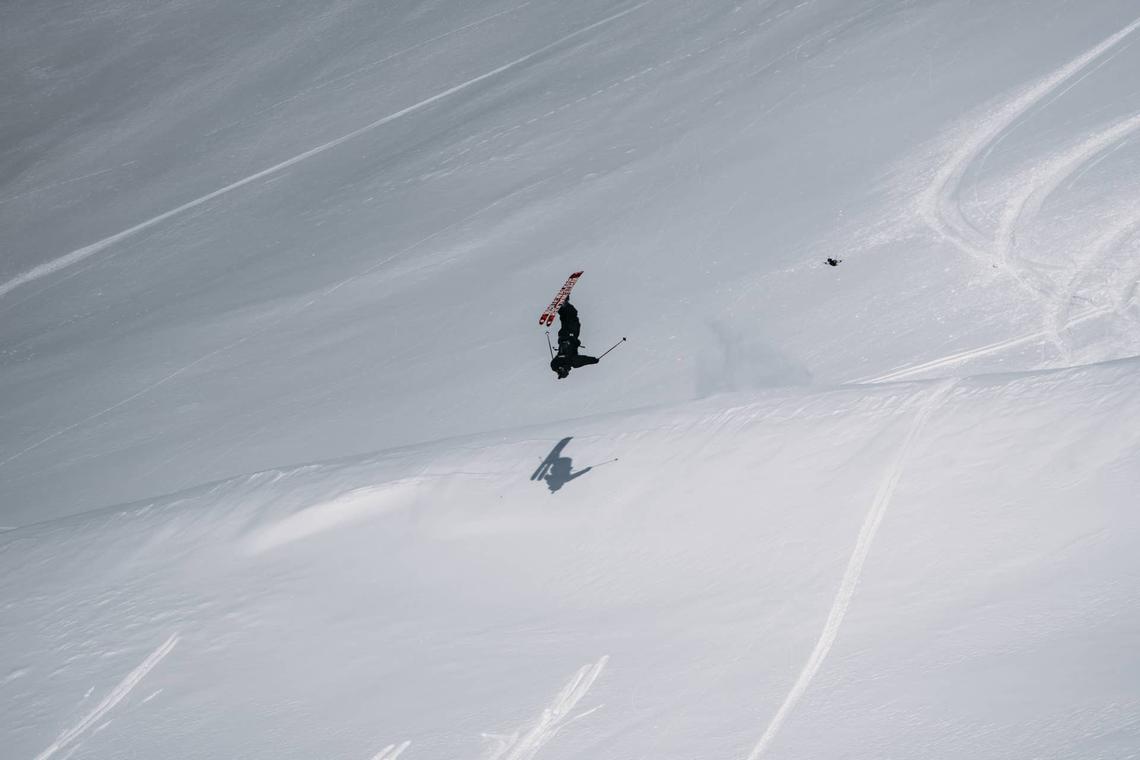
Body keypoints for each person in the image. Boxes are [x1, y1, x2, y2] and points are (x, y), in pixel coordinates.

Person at [550, 301, 599, 379]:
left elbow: (582, 360)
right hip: (564, 336)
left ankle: (564, 305)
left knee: (572, 317)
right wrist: (593, 360)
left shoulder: (569, 362)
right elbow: (583, 360)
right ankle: (562, 306)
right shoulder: (565, 362)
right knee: (566, 320)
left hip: (570, 335)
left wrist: (593, 360)